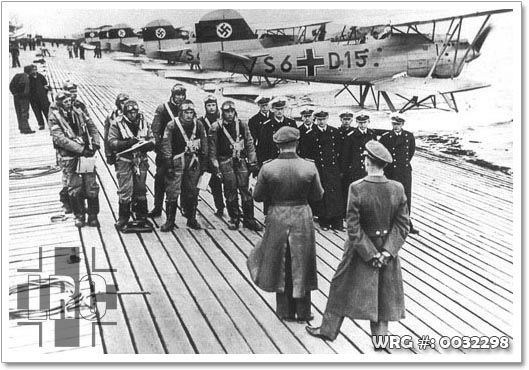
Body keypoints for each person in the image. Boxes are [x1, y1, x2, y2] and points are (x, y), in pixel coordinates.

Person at [306, 140, 410, 349]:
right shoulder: (397, 188)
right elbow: (403, 225)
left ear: (368, 162)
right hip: (387, 251)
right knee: (383, 293)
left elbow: (353, 227)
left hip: (359, 250)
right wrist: (387, 252)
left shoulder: (357, 188)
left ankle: (328, 330)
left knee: (340, 286)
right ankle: (380, 341)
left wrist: (370, 254)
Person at [248, 126, 324, 322]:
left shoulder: (268, 168)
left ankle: (284, 311)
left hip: (277, 217)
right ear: (297, 143)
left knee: (280, 260)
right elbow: (318, 195)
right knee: (303, 262)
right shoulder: (309, 167)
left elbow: (258, 196)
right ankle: (304, 312)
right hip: (302, 217)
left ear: (277, 145)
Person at [48, 91, 101, 228]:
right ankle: (79, 216)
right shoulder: (54, 117)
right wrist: (80, 149)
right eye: (65, 102)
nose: (69, 104)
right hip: (69, 156)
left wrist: (96, 142)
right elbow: (60, 139)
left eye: (70, 101)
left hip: (85, 154)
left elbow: (92, 127)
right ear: (60, 104)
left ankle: (93, 215)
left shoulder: (78, 112)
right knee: (74, 186)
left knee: (91, 184)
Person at [208, 100, 262, 231]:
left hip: (241, 160)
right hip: (225, 161)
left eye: (232, 111)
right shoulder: (216, 127)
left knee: (245, 189)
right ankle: (234, 217)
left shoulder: (242, 124)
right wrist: (216, 167)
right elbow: (212, 150)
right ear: (222, 112)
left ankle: (249, 219)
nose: (230, 114)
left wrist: (252, 161)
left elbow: (249, 143)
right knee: (230, 189)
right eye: (227, 112)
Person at [108, 100, 155, 232]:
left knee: (141, 188)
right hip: (125, 160)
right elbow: (112, 142)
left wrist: (149, 145)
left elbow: (152, 138)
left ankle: (142, 216)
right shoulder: (116, 123)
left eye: (135, 112)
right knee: (125, 189)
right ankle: (123, 218)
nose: (133, 115)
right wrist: (128, 143)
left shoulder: (144, 122)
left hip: (140, 159)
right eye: (130, 112)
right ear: (125, 113)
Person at [160, 100, 208, 231]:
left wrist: (204, 161)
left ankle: (191, 218)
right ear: (180, 113)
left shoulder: (198, 125)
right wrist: (168, 163)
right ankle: (170, 220)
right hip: (177, 161)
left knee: (193, 190)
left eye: (191, 112)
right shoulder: (172, 125)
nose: (188, 115)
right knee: (173, 190)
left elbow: (204, 142)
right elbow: (166, 144)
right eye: (186, 112)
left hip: (193, 161)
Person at [299, 110, 343, 231]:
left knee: (335, 193)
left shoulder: (334, 132)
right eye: (319, 119)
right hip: (319, 168)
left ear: (327, 118)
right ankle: (324, 220)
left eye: (323, 119)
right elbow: (305, 153)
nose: (321, 122)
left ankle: (337, 221)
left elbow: (339, 150)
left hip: (332, 167)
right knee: (321, 193)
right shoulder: (310, 134)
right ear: (315, 120)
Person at [149, 83, 187, 218]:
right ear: (173, 95)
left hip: (182, 151)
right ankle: (157, 207)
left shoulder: (187, 109)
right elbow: (155, 129)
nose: (180, 97)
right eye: (177, 95)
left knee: (185, 180)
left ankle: (185, 208)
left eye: (182, 95)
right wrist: (160, 148)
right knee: (160, 177)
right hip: (165, 150)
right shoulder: (163, 108)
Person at [379, 113, 418, 235]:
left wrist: (403, 164)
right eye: (394, 124)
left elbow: (410, 152)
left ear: (403, 124)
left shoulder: (409, 136)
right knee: (391, 198)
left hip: (404, 171)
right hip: (391, 172)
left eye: (399, 124)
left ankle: (406, 223)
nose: (396, 126)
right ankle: (391, 224)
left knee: (406, 197)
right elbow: (382, 154)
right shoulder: (386, 138)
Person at [340, 111, 376, 215]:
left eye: (364, 122)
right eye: (360, 122)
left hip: (368, 167)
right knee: (354, 191)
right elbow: (345, 155)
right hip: (355, 168)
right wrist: (345, 170)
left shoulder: (372, 134)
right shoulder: (351, 136)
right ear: (356, 122)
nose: (362, 125)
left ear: (368, 122)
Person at [197, 95, 225, 217]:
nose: (212, 108)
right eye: (209, 105)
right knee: (200, 181)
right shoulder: (201, 121)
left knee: (219, 183)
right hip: (205, 157)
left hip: (220, 155)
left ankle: (220, 207)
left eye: (213, 105)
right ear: (205, 107)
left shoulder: (222, 121)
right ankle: (191, 207)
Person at [256, 97, 297, 167]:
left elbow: (296, 143)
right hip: (273, 161)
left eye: (281, 109)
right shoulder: (266, 126)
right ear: (272, 109)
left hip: (289, 161)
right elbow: (261, 146)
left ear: (285, 109)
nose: (279, 111)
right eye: (277, 109)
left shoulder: (291, 123)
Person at [104, 93, 129, 165]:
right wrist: (108, 154)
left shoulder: (133, 115)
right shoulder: (112, 116)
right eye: (122, 103)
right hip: (118, 148)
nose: (124, 105)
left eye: (126, 102)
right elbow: (106, 137)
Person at [10, 65, 35, 134]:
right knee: (24, 113)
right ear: (30, 71)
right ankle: (26, 129)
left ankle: (21, 128)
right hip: (24, 99)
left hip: (16, 98)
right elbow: (27, 91)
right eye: (33, 70)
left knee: (18, 112)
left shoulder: (17, 75)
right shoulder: (27, 79)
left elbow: (11, 85)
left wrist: (15, 93)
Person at [28, 65, 51, 130]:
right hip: (34, 99)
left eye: (35, 69)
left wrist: (44, 93)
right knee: (37, 112)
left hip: (43, 98)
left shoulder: (41, 76)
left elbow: (46, 86)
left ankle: (49, 124)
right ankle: (41, 124)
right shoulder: (29, 78)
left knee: (46, 111)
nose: (34, 71)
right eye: (33, 70)